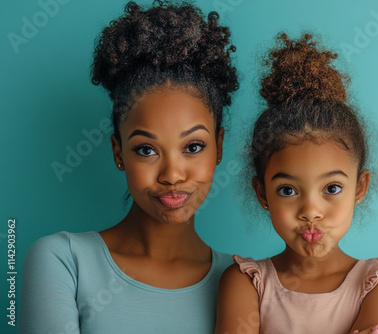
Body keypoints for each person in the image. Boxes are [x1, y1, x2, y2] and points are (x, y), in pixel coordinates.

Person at [19, 1, 238, 333]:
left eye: (193, 147)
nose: (172, 175)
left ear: (219, 147)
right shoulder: (64, 262)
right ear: (118, 152)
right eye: (146, 149)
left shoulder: (243, 284)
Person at [215, 33, 378, 334]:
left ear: (359, 187)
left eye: (331, 188)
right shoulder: (244, 283)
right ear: (261, 193)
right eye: (288, 190)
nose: (311, 211)